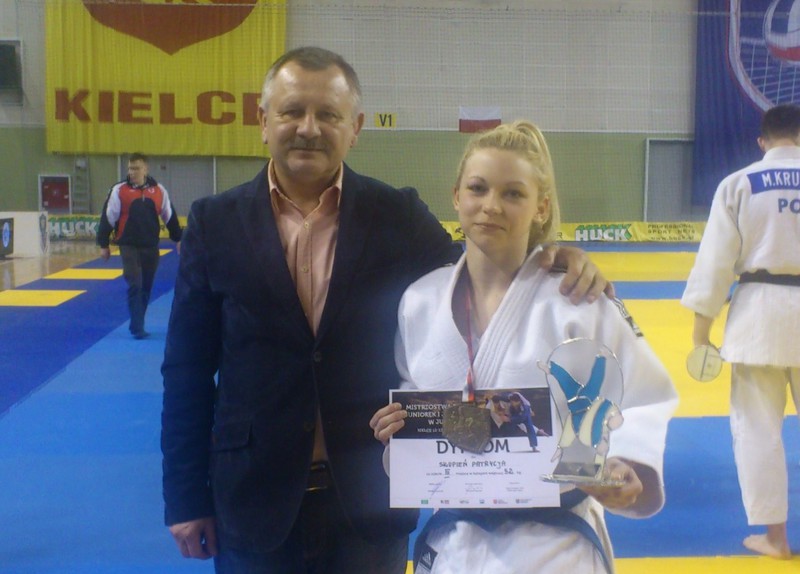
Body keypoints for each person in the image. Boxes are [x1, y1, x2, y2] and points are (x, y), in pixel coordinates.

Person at [161, 47, 613, 574]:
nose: (309, 128)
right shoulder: (214, 223)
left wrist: (551, 259)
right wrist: (185, 498)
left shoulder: (397, 215)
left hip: (369, 500)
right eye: (292, 112)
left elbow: (480, 275)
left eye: (328, 114)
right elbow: (187, 371)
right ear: (263, 122)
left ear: (354, 128)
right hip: (253, 497)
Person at [370, 120, 678, 573]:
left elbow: (644, 394)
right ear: (456, 196)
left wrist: (623, 461)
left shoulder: (578, 301)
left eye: (513, 193)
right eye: (478, 188)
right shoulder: (419, 301)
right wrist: (397, 432)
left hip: (554, 547)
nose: (491, 205)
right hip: (454, 543)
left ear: (541, 206)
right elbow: (412, 399)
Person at [681, 103, 800, 560]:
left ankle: (776, 538)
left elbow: (714, 264)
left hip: (759, 319)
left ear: (762, 142)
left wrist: (700, 337)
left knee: (757, 430)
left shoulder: (739, 184)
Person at [97, 152, 181, 339]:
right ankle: (137, 327)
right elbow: (108, 217)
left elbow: (169, 216)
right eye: (130, 168)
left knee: (146, 287)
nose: (132, 172)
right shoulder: (119, 190)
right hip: (128, 245)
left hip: (151, 246)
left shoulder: (159, 191)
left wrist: (178, 238)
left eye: (136, 168)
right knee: (135, 283)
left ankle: (138, 322)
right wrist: (103, 244)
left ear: (145, 169)